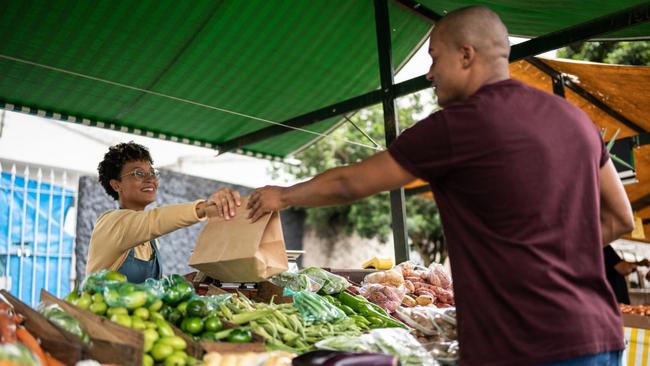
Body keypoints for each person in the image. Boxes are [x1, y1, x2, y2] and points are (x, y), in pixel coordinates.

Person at [247, 6, 635, 366]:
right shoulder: (577, 121)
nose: (430, 73)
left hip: (524, 345)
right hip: (599, 334)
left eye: (434, 58)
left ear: (466, 55)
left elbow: (351, 181)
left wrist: (280, 195)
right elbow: (619, 219)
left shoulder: (462, 123)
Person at [87, 142, 241, 283]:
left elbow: (150, 287)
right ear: (116, 185)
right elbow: (154, 221)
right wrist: (203, 208)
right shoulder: (111, 223)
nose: (150, 179)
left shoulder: (152, 241)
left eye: (153, 173)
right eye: (139, 173)